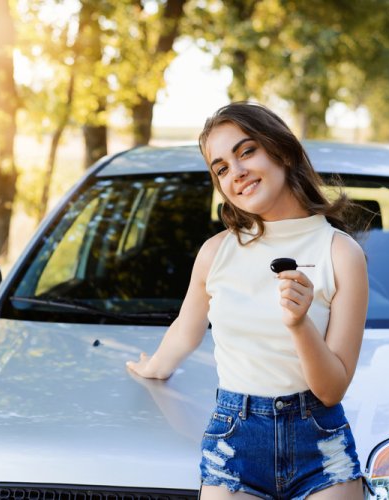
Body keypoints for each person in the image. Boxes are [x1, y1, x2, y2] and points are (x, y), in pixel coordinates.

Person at [127, 102, 369, 500]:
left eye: (246, 152)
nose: (236, 172)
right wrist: (152, 367)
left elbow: (331, 390)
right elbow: (186, 331)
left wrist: (299, 324)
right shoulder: (215, 253)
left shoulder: (341, 253)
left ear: (284, 152)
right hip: (235, 438)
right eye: (221, 168)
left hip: (320, 442)